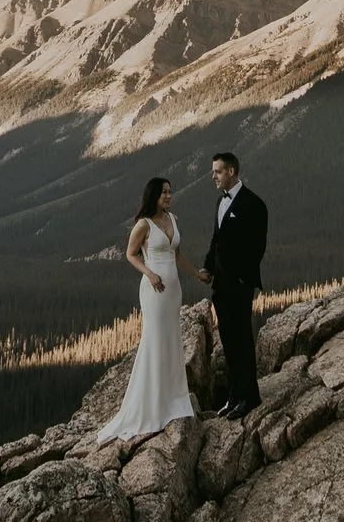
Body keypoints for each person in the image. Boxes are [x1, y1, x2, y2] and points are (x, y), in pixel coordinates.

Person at [95, 175, 199, 442]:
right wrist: (150, 274)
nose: (168, 195)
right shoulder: (144, 224)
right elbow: (130, 254)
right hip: (154, 290)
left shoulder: (173, 220)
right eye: (164, 192)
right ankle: (151, 404)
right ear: (152, 195)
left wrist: (196, 273)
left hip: (173, 289)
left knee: (171, 339)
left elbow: (177, 254)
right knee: (154, 339)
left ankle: (172, 397)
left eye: (170, 191)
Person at [199, 150, 268, 417]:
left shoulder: (254, 204)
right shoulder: (220, 202)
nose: (213, 176)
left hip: (239, 286)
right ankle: (235, 394)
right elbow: (216, 240)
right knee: (228, 340)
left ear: (231, 172)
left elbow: (258, 247)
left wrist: (242, 279)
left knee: (242, 340)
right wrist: (207, 266)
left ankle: (250, 397)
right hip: (221, 286)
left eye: (217, 171)